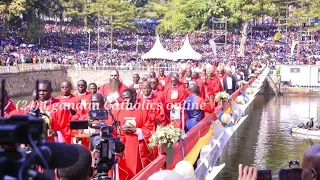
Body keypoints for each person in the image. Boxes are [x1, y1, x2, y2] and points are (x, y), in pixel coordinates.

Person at [108, 88, 155, 179]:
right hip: (122, 147)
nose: (125, 100)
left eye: (127, 97)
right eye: (124, 98)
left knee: (136, 171)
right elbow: (111, 128)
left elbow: (149, 129)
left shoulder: (143, 111)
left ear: (134, 97)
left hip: (136, 147)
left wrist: (136, 130)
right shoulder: (117, 111)